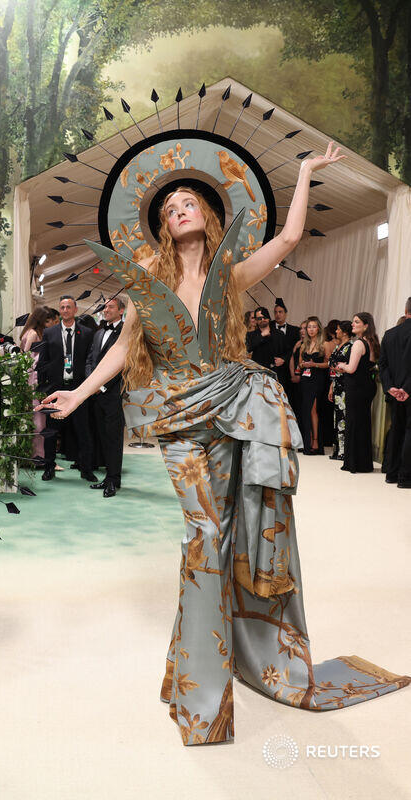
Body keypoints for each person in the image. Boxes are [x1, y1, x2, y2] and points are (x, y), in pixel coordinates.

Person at [39, 144, 409, 746]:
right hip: (181, 418)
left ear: (206, 216)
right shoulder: (148, 285)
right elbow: (122, 350)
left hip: (237, 408)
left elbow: (288, 239)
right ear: (162, 224)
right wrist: (79, 393)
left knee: (233, 530)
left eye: (191, 202)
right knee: (204, 534)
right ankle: (203, 682)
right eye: (172, 206)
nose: (181, 208)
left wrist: (308, 174)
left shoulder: (230, 275)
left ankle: (232, 660)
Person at [37, 295, 96, 483]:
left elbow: (91, 361)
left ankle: (86, 469)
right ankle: (48, 467)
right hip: (55, 389)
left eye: (68, 307)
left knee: (83, 431)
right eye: (62, 307)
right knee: (51, 432)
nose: (65, 311)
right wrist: (43, 389)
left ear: (75, 310)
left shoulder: (86, 333)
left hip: (78, 389)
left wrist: (89, 387)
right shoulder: (50, 333)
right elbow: (43, 363)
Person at [85, 297, 126, 497]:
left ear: (121, 310)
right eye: (105, 307)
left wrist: (101, 386)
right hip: (95, 394)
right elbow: (90, 359)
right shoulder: (99, 333)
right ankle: (107, 477)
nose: (106, 310)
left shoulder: (126, 333)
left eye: (111, 307)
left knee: (114, 440)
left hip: (113, 394)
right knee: (101, 437)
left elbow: (123, 365)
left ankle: (113, 480)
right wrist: (90, 384)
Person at [337, 312, 380, 473]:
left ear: (366, 325)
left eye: (356, 322)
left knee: (354, 423)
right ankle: (363, 462)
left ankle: (353, 463)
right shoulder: (373, 342)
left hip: (356, 387)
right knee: (363, 423)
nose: (353, 324)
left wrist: (341, 365)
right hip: (368, 385)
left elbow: (351, 368)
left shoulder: (358, 344)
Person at [379, 298, 411, 488]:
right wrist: (407, 389)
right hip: (408, 391)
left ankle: (391, 473)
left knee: (396, 429)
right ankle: (405, 477)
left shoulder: (389, 334)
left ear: (405, 310)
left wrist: (390, 387)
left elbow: (382, 365)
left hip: (394, 392)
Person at [297, 316, 332, 454]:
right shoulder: (303, 345)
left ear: (319, 328)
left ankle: (316, 441)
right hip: (305, 380)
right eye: (308, 327)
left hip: (317, 379)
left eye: (313, 327)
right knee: (306, 410)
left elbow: (329, 363)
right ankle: (308, 440)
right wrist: (302, 364)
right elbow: (299, 362)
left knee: (313, 409)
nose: (311, 330)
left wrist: (314, 364)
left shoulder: (324, 344)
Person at [20, 306, 50, 461]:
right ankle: (37, 454)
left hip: (36, 375)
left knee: (37, 416)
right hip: (33, 377)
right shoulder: (32, 334)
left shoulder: (32, 332)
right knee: (37, 417)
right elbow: (25, 355)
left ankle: (37, 454)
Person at [328, 320, 353, 460]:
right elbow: (331, 364)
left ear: (344, 332)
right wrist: (331, 387)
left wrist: (339, 366)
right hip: (336, 383)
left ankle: (344, 450)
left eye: (338, 329)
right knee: (336, 417)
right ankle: (337, 449)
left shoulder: (351, 346)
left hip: (345, 385)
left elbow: (347, 365)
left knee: (343, 417)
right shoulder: (338, 347)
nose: (336, 332)